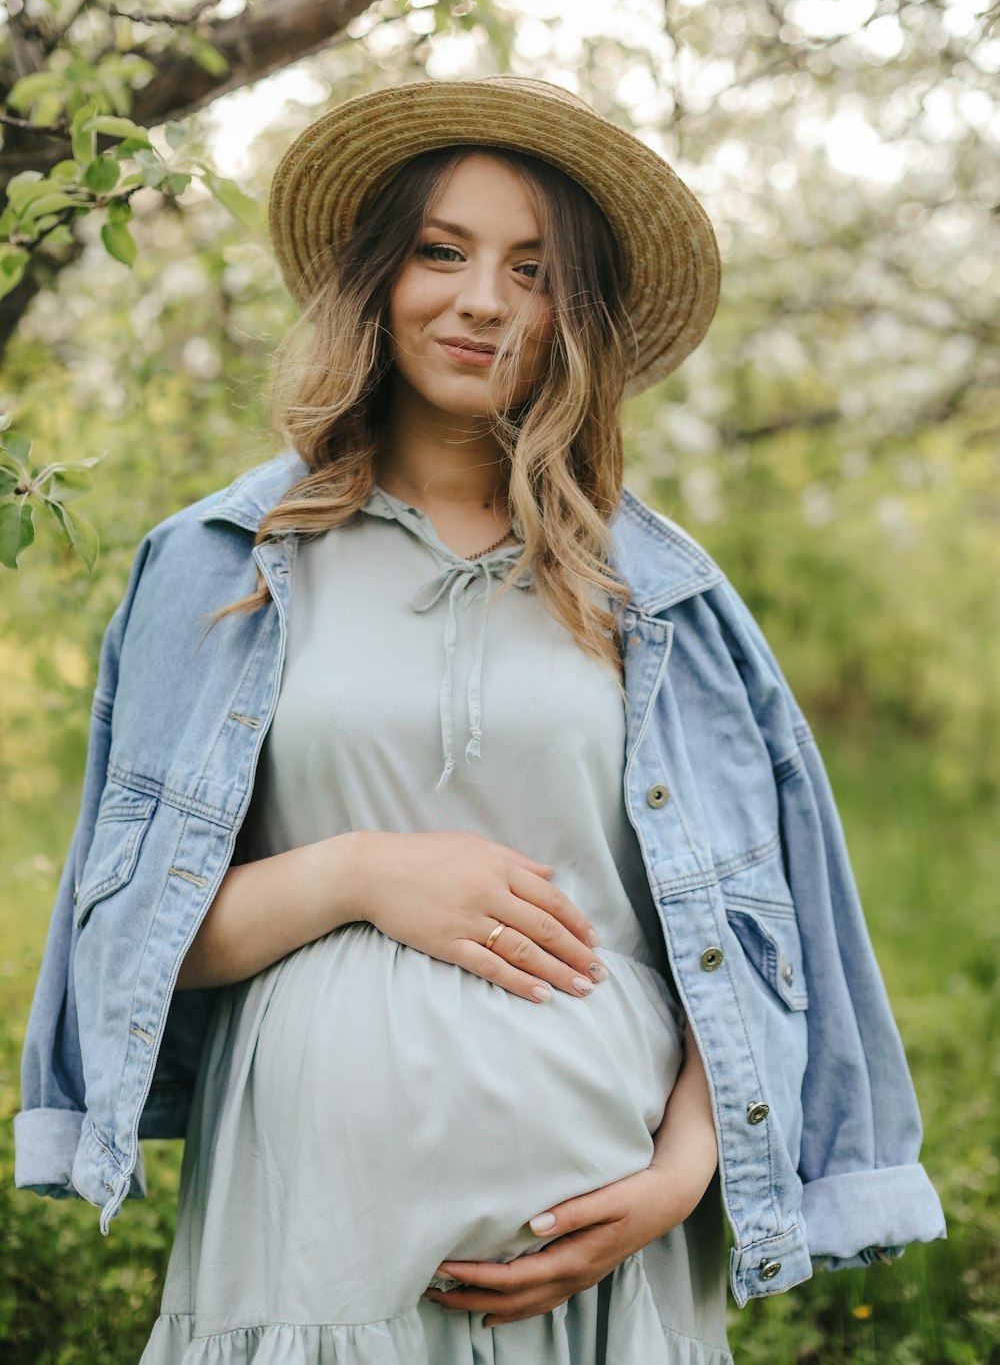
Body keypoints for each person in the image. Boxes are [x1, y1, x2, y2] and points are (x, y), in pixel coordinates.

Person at [15, 77, 946, 1364]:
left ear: (583, 315)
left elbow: (768, 938)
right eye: (440, 252)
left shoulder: (664, 597)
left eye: (534, 268)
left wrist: (683, 1172)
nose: (482, 300)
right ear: (373, 277)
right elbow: (127, 939)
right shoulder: (220, 564)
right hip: (304, 1244)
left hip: (610, 1273)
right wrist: (360, 873)